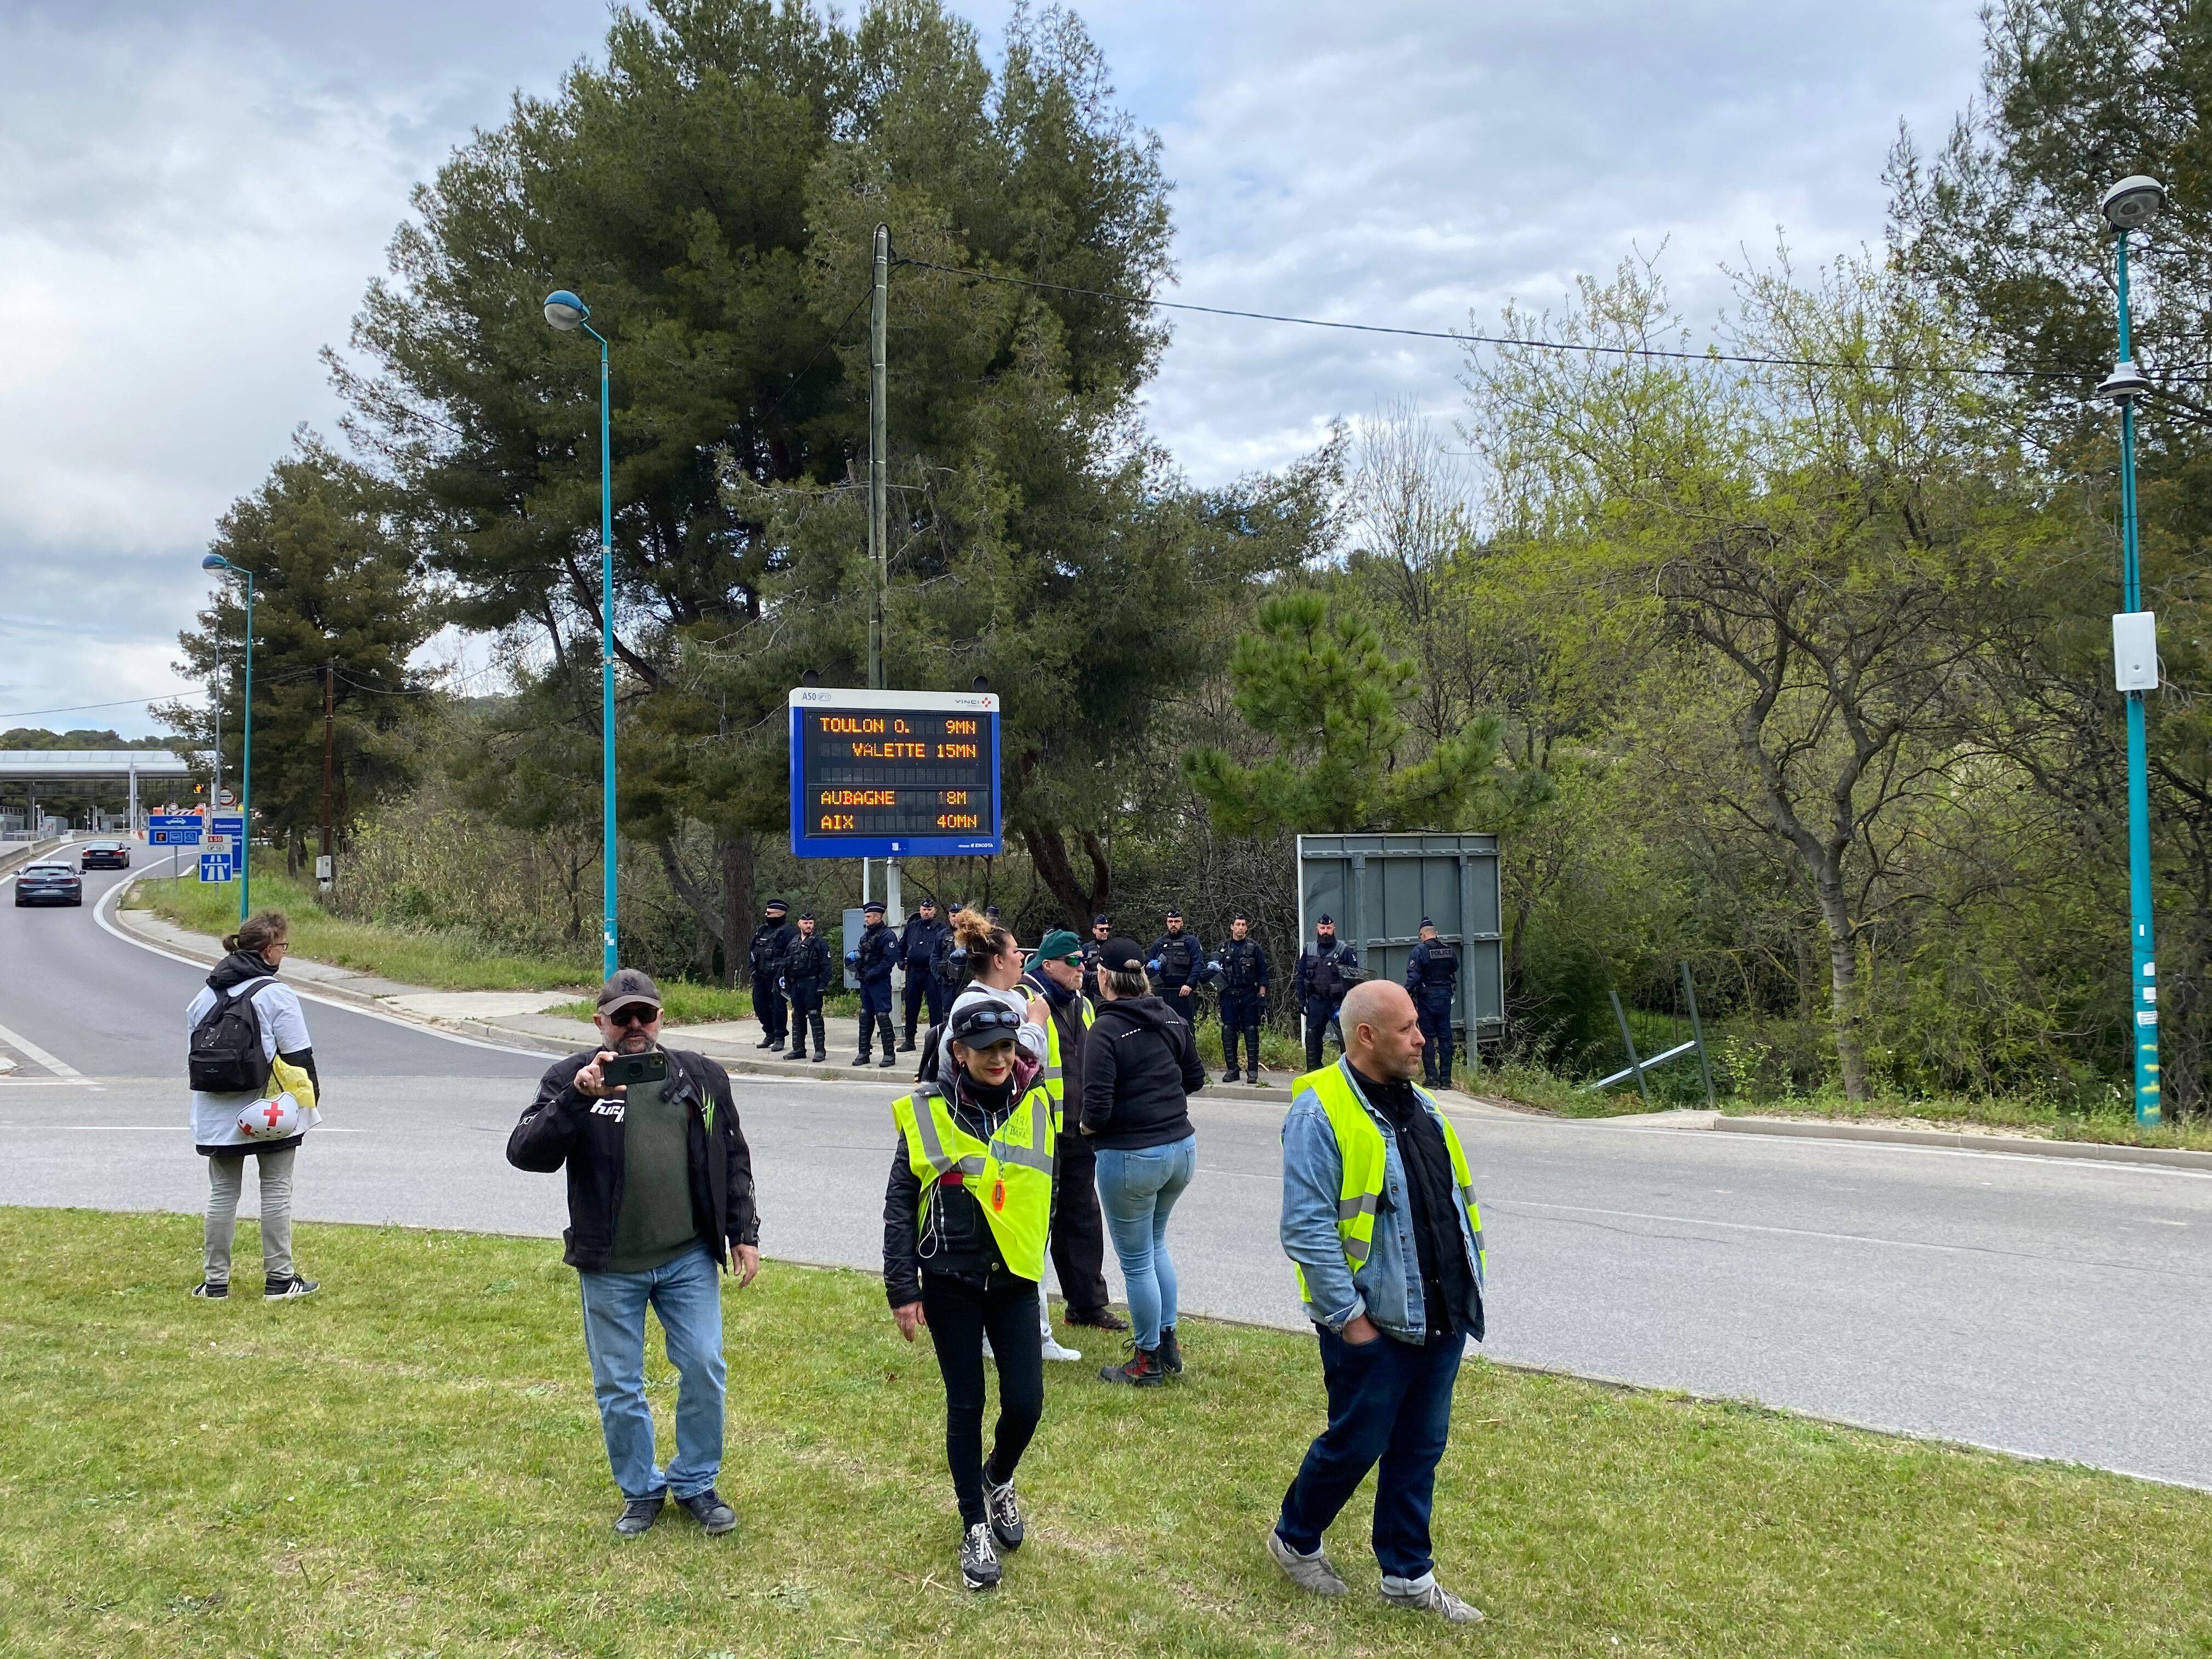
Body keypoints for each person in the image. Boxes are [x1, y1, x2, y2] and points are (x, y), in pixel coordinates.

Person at [506, 968, 761, 1539]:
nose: (635, 1027)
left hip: (686, 1257)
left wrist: (743, 1230)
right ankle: (641, 1490)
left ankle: (696, 1482)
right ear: (600, 1023)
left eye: (645, 1014)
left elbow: (732, 1153)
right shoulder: (571, 1078)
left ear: (661, 1018)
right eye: (622, 1017)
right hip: (611, 1264)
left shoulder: (699, 1076)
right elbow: (526, 1153)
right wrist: (577, 1099)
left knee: (703, 1365)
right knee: (620, 1385)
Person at [1268, 980, 1487, 1624]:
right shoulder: (1319, 1112)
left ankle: (1408, 1576)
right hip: (1373, 1322)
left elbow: (1447, 1204)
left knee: (1420, 1448)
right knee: (1357, 1443)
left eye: (1420, 1026)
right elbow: (1306, 1229)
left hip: (1441, 1313)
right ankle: (1295, 1538)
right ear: (1367, 1036)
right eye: (1408, 1029)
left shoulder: (1420, 1105)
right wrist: (1350, 1322)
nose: (1423, 1038)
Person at [884, 995, 1057, 1592]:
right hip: (951, 1280)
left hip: (1014, 1282)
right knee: (967, 1405)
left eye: (1008, 1048)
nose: (1000, 1059)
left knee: (1027, 1404)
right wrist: (902, 1288)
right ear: (958, 1052)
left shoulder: (1036, 1104)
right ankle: (973, 1522)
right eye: (986, 1050)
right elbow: (900, 1203)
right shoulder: (928, 1111)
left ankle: (998, 1476)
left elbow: (1046, 1188)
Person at [1081, 938, 1206, 1386]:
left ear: (1104, 978)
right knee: (1157, 1246)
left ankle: (1147, 1358)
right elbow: (1194, 1077)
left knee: (1136, 1261)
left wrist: (1086, 1133)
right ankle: (1166, 1342)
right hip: (1181, 1148)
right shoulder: (1171, 1015)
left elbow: (1095, 1108)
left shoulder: (1107, 1030)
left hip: (1132, 1155)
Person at [187, 910, 321, 1300]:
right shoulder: (275, 994)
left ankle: (215, 1284)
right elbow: (299, 1057)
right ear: (267, 952)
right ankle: (280, 1279)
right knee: (276, 1190)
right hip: (269, 1110)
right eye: (283, 946)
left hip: (215, 1112)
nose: (284, 953)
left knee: (222, 1193)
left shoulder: (204, 996)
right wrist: (310, 1101)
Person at [1019, 930, 1124, 1333]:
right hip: (1039, 1133)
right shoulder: (1027, 1001)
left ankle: (1087, 1305)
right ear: (1048, 965)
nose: (1083, 969)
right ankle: (1023, 1306)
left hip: (1078, 1130)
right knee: (1035, 1223)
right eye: (1073, 962)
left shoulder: (1081, 1003)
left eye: (1083, 961)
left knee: (1082, 1218)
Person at [1295, 915, 1362, 1071]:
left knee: (1345, 1036)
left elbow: (1355, 977)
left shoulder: (1344, 950)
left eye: (1329, 928)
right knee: (1312, 1035)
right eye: (1322, 928)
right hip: (1316, 1001)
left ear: (1334, 929)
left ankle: (1349, 1072)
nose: (1326, 931)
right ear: (1317, 929)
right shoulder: (1309, 949)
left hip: (1337, 1002)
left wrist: (1351, 1003)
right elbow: (1301, 975)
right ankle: (1313, 1071)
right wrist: (1301, 1000)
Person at [1215, 913, 1271, 1085]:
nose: (1241, 928)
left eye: (1243, 925)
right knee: (1228, 1031)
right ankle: (1232, 1070)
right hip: (1229, 996)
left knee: (1252, 1031)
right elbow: (1213, 971)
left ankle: (1252, 1070)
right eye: (1237, 924)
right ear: (1232, 927)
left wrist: (1261, 996)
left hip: (1249, 995)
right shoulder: (1223, 948)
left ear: (1247, 928)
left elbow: (1263, 975)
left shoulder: (1255, 948)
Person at [1404, 919, 1460, 1089]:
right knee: (1445, 1037)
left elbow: (1414, 977)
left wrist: (1405, 992)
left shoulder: (1419, 950)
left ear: (1423, 935)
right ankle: (1446, 1080)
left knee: (1427, 1037)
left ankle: (1431, 1078)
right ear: (1436, 933)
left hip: (1427, 999)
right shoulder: (1449, 950)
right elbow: (1455, 968)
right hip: (1445, 998)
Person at [849, 899, 898, 1068]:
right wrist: (857, 970)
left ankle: (889, 1055)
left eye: (869, 916)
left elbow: (889, 961)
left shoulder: (888, 936)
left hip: (880, 982)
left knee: (883, 1015)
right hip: (866, 982)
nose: (866, 919)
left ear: (878, 917)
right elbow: (861, 956)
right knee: (865, 1015)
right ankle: (863, 1053)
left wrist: (873, 974)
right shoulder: (866, 936)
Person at [898, 898, 950, 1050]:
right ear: (920, 910)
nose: (926, 912)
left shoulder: (941, 928)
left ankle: (935, 1042)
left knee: (935, 1007)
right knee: (911, 1007)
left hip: (932, 973)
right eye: (924, 909)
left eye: (929, 910)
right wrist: (900, 961)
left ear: (934, 911)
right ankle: (909, 1040)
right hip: (914, 972)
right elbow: (901, 947)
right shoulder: (912, 927)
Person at [747, 899, 797, 1051]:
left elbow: (791, 955)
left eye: (769, 913)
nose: (766, 915)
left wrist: (783, 975)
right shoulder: (762, 930)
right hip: (760, 976)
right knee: (760, 1006)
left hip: (777, 977)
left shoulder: (789, 932)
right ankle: (769, 1033)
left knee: (778, 1007)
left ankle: (779, 1037)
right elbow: (752, 951)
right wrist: (753, 969)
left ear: (779, 914)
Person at [781, 911, 831, 1063]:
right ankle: (798, 1049)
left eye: (811, 923)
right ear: (799, 924)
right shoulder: (793, 942)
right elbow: (786, 964)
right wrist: (784, 983)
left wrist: (823, 984)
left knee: (815, 1015)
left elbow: (827, 966)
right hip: (797, 984)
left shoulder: (820, 943)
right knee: (797, 1016)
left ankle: (819, 1051)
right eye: (806, 923)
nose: (809, 926)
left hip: (812, 983)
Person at [1147, 909, 1204, 1023]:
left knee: (1186, 1027)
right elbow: (1147, 963)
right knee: (1164, 1026)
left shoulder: (1190, 941)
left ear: (1182, 923)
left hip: (1184, 991)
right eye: (1170, 921)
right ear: (1167, 923)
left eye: (1177, 921)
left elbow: (1198, 964)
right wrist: (1151, 967)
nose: (1173, 924)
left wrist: (1190, 984)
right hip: (1163, 991)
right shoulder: (1160, 943)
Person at [1079, 915, 1112, 1000]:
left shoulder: (1114, 947)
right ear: (1094, 930)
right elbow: (1078, 968)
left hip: (1110, 991)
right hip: (1091, 992)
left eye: (1107, 929)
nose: (1105, 932)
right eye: (1102, 929)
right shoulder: (1086, 948)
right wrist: (1091, 975)